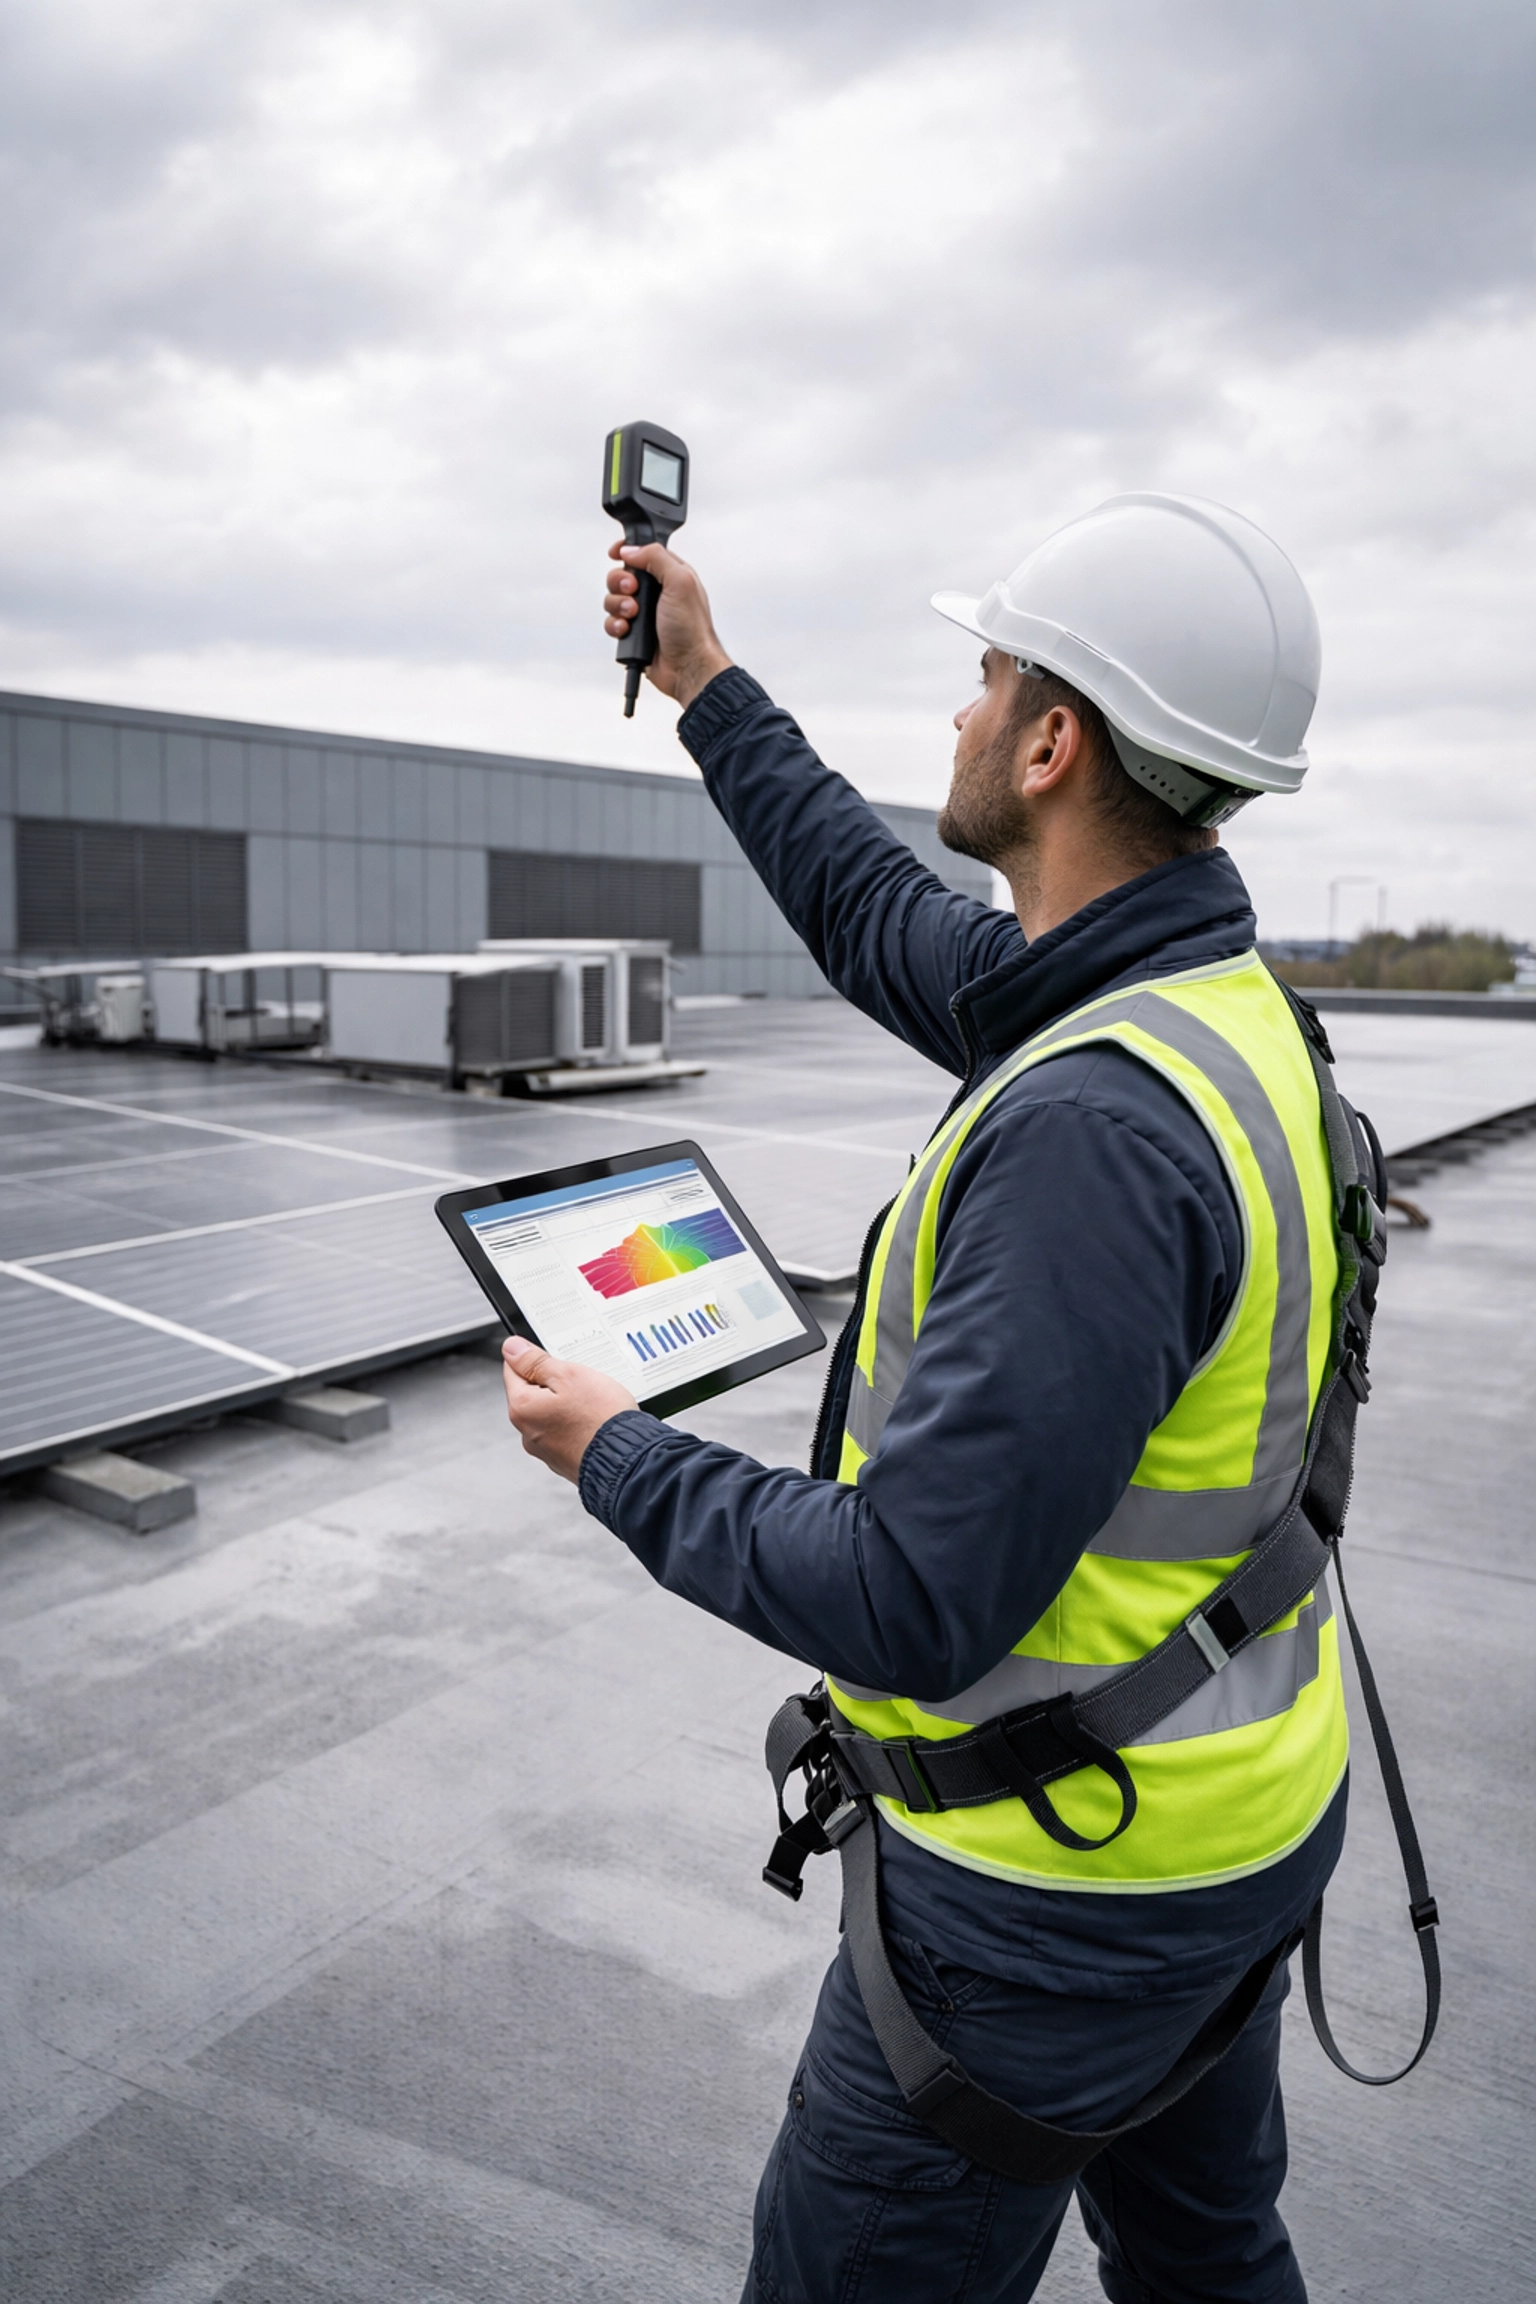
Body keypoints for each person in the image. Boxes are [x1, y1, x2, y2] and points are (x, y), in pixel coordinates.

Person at [500, 494, 1346, 2303]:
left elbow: (910, 1595)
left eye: (984, 684)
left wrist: (616, 1453)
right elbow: (878, 912)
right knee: (1209, 2260)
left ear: (1050, 744)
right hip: (1244, 1813)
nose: (956, 717)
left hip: (1060, 1892)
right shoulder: (1208, 1005)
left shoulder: (1096, 1131)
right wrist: (707, 679)